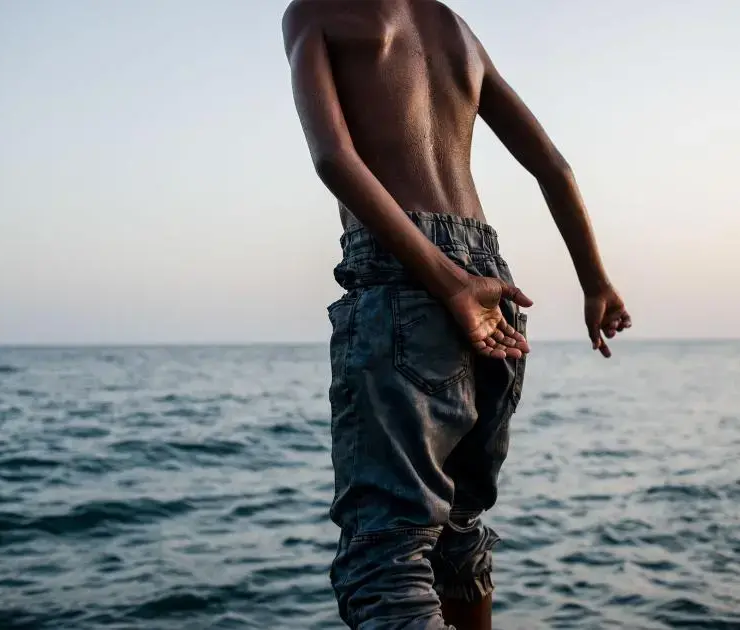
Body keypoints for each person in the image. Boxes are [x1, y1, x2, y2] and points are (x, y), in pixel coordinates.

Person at [282, 1, 631, 627]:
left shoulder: (315, 10)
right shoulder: (453, 28)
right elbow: (553, 165)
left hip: (414, 277)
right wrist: (594, 281)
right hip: (494, 283)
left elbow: (334, 157)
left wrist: (446, 284)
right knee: (459, 526)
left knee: (386, 557)